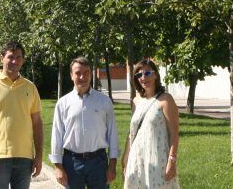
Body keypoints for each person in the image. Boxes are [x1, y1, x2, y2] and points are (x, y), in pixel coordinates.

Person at [0, 41, 44, 189]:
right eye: (10, 57)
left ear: (23, 60)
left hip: (25, 158)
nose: (14, 61)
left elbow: (37, 123)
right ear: (1, 58)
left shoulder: (30, 87)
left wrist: (38, 156)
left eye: (19, 57)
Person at [49, 57, 119, 188]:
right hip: (72, 163)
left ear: (91, 74)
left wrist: (112, 165)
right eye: (78, 73)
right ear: (71, 75)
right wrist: (58, 166)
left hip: (99, 162)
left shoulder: (104, 101)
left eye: (86, 73)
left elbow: (112, 133)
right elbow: (56, 135)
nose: (82, 77)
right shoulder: (63, 103)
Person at [122, 58, 180, 189]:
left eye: (147, 73)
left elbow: (174, 134)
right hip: (136, 158)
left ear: (156, 75)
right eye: (139, 75)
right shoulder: (136, 101)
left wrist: (172, 160)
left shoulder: (165, 100)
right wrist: (125, 159)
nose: (143, 77)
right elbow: (132, 133)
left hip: (157, 158)